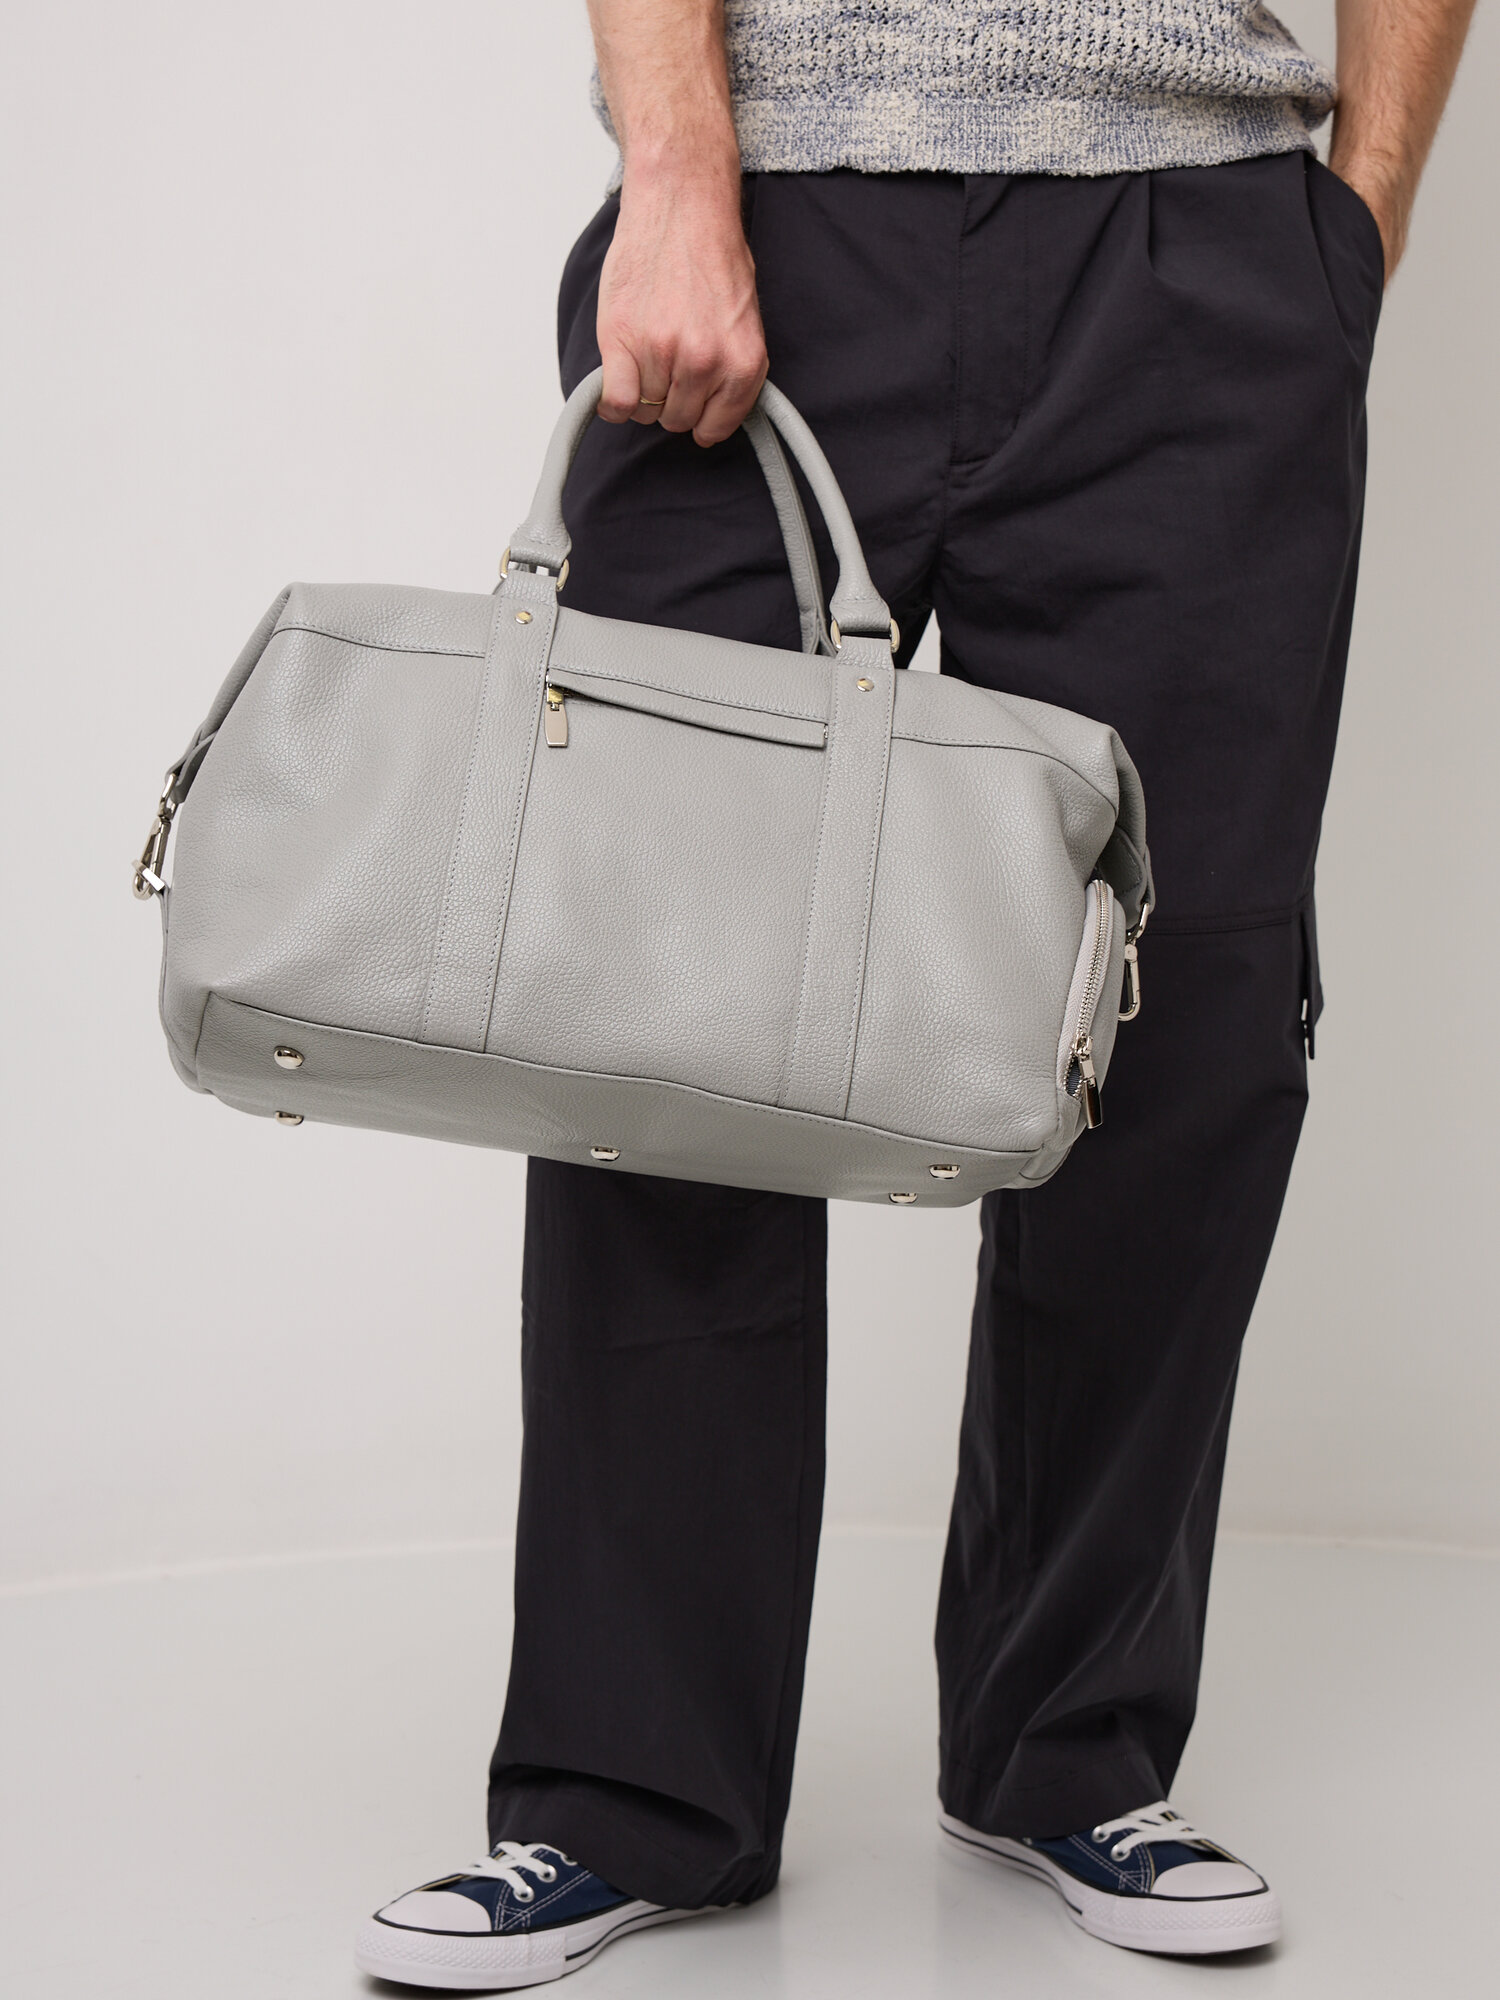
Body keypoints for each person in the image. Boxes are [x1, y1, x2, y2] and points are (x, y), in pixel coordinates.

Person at [355, 0, 1475, 1983]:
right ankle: (629, 1791)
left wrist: (1353, 226)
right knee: (665, 1001)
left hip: (1205, 244)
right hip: (776, 212)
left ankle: (1069, 1743)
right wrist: (679, 171)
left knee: (1182, 1007)